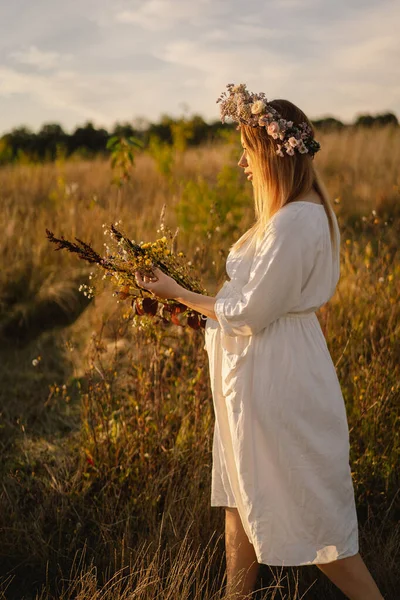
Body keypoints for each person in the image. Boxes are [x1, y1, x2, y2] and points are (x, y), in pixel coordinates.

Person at [134, 83, 384, 600]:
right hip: (253, 378)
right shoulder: (288, 215)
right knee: (240, 498)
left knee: (316, 518)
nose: (242, 165)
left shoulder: (297, 220)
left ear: (272, 151)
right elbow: (245, 305)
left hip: (280, 382)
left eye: (247, 152)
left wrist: (178, 291)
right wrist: (186, 312)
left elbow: (250, 311)